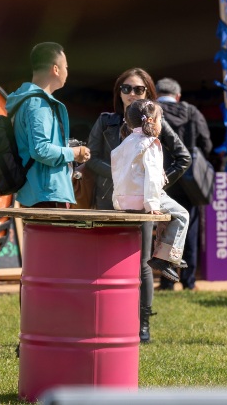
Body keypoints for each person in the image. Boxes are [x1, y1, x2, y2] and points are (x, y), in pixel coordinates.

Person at [85, 68, 190, 344]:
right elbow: (92, 159)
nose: (132, 94)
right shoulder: (105, 121)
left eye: (139, 90)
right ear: (118, 92)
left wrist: (153, 186)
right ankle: (104, 320)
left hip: (143, 205)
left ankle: (142, 325)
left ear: (149, 93)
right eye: (127, 89)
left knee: (142, 265)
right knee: (103, 263)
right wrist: (122, 176)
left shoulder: (155, 121)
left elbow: (183, 158)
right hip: (110, 202)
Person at [112, 99, 189, 283]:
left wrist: (118, 199)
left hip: (123, 199)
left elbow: (119, 173)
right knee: (182, 215)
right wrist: (152, 203)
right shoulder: (151, 143)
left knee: (169, 214)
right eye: (161, 119)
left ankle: (165, 254)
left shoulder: (125, 143)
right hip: (145, 197)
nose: (161, 123)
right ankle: (164, 258)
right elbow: (152, 178)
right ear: (152, 121)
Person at [6, 42, 89, 208]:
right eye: (66, 66)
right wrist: (75, 152)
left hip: (38, 192)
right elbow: (41, 150)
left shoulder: (26, 100)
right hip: (47, 194)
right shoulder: (38, 103)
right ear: (56, 69)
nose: (67, 72)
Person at [154, 77, 211, 291]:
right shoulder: (192, 112)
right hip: (189, 180)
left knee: (165, 228)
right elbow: (206, 143)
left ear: (156, 93)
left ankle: (167, 282)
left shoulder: (152, 112)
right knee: (190, 227)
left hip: (162, 178)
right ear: (178, 96)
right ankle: (188, 281)